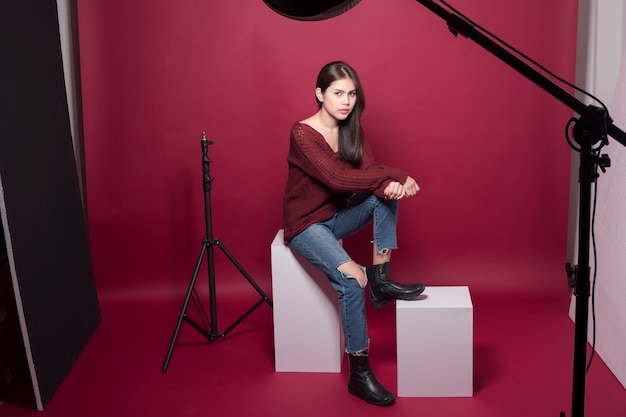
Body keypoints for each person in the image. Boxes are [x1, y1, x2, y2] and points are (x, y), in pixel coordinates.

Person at [282, 61, 425, 406]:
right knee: (349, 281)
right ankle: (359, 373)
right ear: (319, 94)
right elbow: (338, 180)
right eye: (337, 93)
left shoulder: (351, 127)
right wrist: (399, 174)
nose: (346, 101)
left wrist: (391, 183)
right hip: (306, 225)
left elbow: (370, 172)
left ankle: (380, 278)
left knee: (385, 195)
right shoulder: (302, 133)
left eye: (351, 94)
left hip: (336, 217)